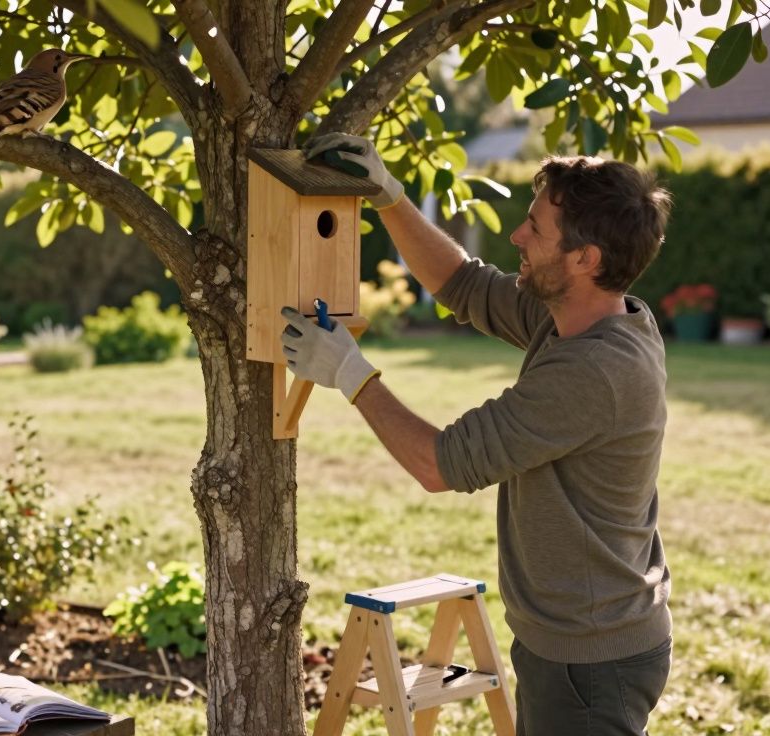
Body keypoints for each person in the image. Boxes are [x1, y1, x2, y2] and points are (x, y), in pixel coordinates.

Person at [282, 133, 675, 735]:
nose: (517, 236)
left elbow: (440, 465)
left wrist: (348, 371)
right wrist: (389, 196)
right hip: (576, 642)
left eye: (535, 228)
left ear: (584, 259)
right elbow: (462, 284)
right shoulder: (581, 317)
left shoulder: (594, 371)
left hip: (592, 661)